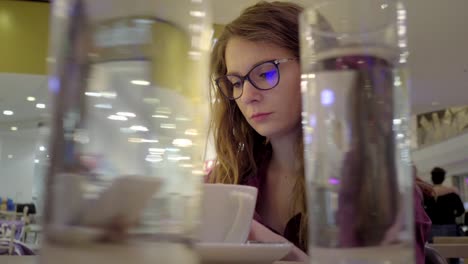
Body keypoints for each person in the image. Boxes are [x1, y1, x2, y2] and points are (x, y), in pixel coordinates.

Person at [208, 1, 430, 262]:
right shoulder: (223, 181)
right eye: (236, 83)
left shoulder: (376, 183)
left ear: (317, 70)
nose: (247, 96)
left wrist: (283, 252)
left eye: (266, 73)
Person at [425, 167, 465, 240]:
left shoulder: (427, 194)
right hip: (449, 225)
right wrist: (451, 215)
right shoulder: (452, 193)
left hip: (432, 226)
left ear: (432, 178)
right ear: (443, 178)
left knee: (434, 249)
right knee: (450, 249)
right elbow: (461, 210)